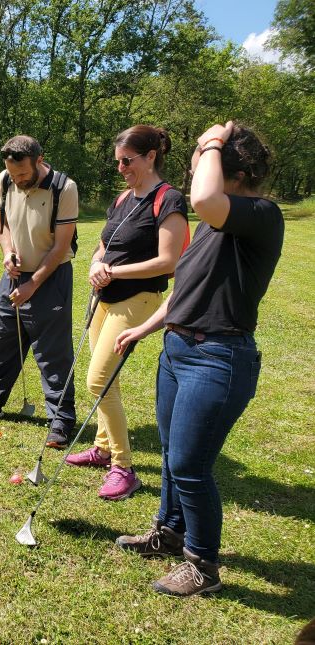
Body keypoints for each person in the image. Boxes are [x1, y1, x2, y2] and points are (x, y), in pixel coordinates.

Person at [113, 122, 283, 596]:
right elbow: (185, 290)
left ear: (237, 171)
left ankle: (202, 566)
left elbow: (206, 197)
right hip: (179, 352)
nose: (193, 170)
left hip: (219, 358)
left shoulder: (262, 215)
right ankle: (168, 532)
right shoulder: (212, 228)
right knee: (170, 456)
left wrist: (211, 140)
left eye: (203, 162)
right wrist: (145, 328)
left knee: (190, 465)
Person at [64, 126, 189, 501]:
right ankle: (103, 448)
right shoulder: (123, 199)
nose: (120, 168)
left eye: (127, 161)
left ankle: (124, 468)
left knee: (98, 380)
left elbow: (169, 261)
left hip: (138, 300)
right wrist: (95, 263)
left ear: (151, 156)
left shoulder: (168, 200)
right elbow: (105, 243)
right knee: (106, 383)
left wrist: (113, 271)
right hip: (103, 298)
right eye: (117, 161)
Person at [0, 135, 78, 449]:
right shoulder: (5, 179)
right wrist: (8, 253)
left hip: (51, 278)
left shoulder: (63, 188)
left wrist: (33, 284)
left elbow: (61, 246)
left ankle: (61, 421)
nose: (18, 180)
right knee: (3, 341)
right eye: (13, 176)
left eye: (23, 175)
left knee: (52, 353)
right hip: (13, 275)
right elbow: (2, 222)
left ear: (40, 161)